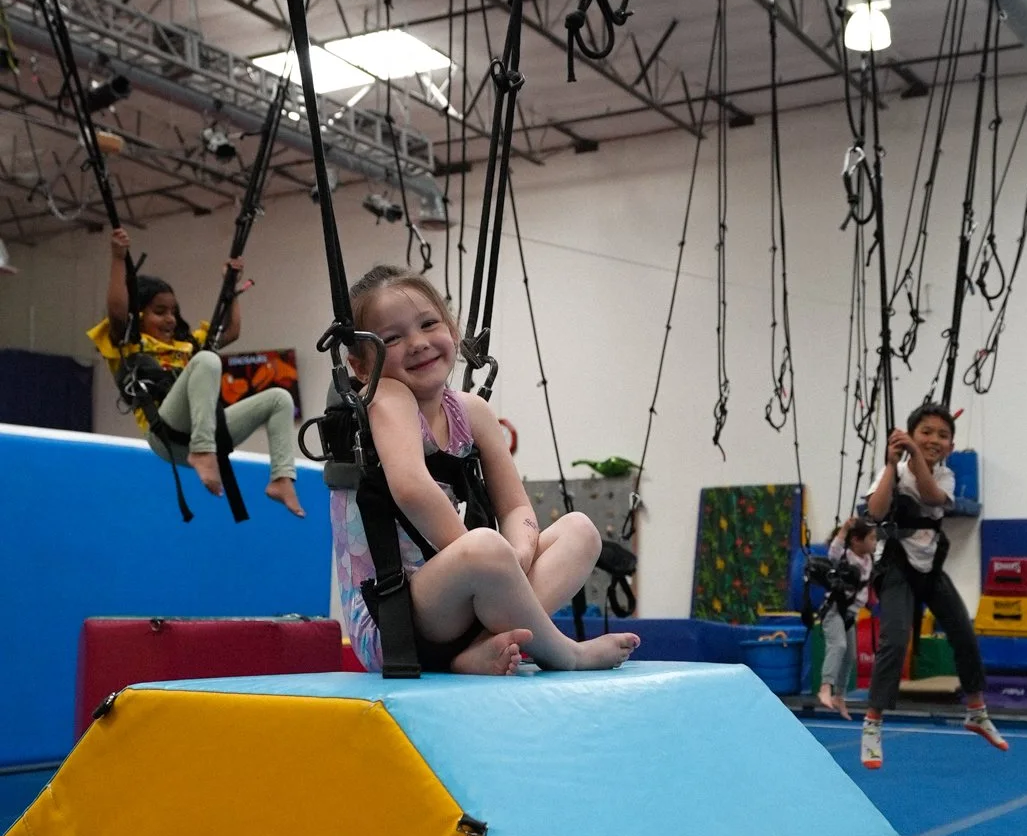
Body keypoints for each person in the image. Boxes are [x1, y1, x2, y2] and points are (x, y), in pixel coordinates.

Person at [335, 264, 640, 675]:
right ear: (361, 368)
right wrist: (485, 557)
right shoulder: (386, 397)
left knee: (580, 532)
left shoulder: (472, 411)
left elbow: (516, 508)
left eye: (429, 324)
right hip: (395, 619)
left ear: (454, 330)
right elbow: (410, 487)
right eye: (392, 338)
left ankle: (477, 650)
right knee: (485, 548)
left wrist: (517, 554)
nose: (418, 343)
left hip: (463, 602)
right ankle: (565, 653)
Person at [89, 227, 304, 515]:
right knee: (207, 360)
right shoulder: (130, 344)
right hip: (167, 435)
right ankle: (202, 452)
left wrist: (231, 287)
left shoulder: (187, 344)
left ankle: (281, 479)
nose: (169, 319)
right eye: (159, 311)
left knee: (279, 397)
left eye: (173, 312)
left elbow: (231, 331)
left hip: (208, 435)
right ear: (138, 315)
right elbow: (117, 312)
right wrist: (118, 257)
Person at [860, 404, 1007, 768]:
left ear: (951, 446)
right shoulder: (889, 472)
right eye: (926, 432)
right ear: (912, 433)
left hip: (930, 566)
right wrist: (893, 466)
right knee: (894, 640)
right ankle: (872, 724)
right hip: (896, 566)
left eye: (942, 435)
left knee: (962, 631)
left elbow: (929, 497)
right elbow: (876, 513)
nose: (934, 440)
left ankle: (976, 710)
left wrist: (913, 454)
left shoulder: (945, 477)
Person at [816, 516, 876, 718]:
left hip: (851, 614)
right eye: (871, 539)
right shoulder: (845, 556)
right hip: (834, 610)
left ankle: (839, 696)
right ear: (856, 541)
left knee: (850, 655)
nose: (874, 543)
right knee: (838, 645)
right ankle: (825, 687)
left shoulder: (869, 559)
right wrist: (844, 529)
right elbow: (834, 549)